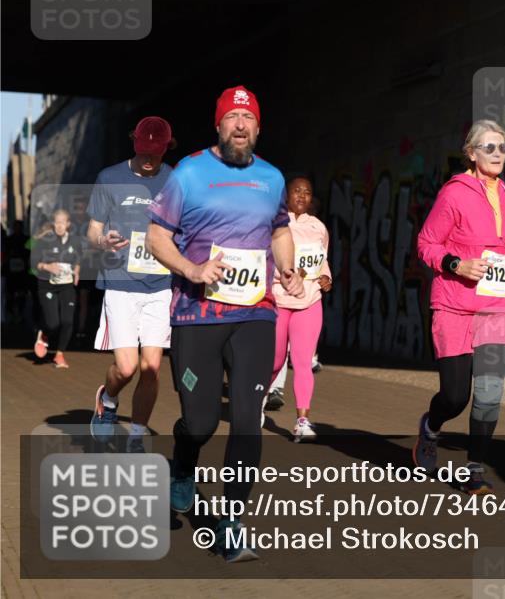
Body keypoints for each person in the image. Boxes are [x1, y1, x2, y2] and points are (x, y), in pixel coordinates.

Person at [147, 85, 304, 563]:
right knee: (199, 421)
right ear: (218, 125)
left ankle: (231, 521)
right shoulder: (189, 173)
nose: (240, 125)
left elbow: (279, 229)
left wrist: (289, 267)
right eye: (232, 117)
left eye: (248, 118)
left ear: (258, 127)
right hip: (197, 315)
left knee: (245, 420)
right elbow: (157, 237)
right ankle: (183, 463)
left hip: (255, 313)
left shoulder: (273, 178)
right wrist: (192, 270)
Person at [413, 119, 505, 494]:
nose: (497, 154)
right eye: (489, 147)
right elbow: (427, 244)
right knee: (455, 397)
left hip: (496, 305)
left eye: (502, 148)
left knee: (490, 391)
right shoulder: (455, 193)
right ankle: (430, 428)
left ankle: (473, 469)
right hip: (455, 305)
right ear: (472, 153)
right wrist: (457, 265)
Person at [87, 117, 175, 451]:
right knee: (126, 368)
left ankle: (136, 436)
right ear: (134, 143)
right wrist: (102, 240)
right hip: (121, 284)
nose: (149, 157)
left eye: (156, 151)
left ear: (166, 147)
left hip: (161, 284)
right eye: (143, 150)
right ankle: (108, 401)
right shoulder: (109, 178)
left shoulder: (176, 180)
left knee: (151, 367)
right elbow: (92, 229)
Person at [265, 176, 332, 441]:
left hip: (310, 301)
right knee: (275, 360)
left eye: (307, 192)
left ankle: (302, 421)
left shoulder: (318, 227)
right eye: (296, 191)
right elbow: (265, 262)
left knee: (303, 362)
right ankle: (258, 401)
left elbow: (322, 260)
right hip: (280, 301)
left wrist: (326, 277)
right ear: (286, 196)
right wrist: (288, 274)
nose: (302, 196)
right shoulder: (274, 225)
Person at [31, 209, 82, 368]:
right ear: (53, 223)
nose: (59, 226)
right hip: (47, 285)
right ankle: (44, 333)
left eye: (63, 222)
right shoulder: (45, 239)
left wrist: (77, 271)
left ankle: (59, 355)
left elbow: (78, 259)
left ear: (68, 224)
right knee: (53, 323)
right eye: (57, 222)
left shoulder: (74, 241)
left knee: (67, 321)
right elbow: (33, 264)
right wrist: (47, 266)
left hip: (66, 285)